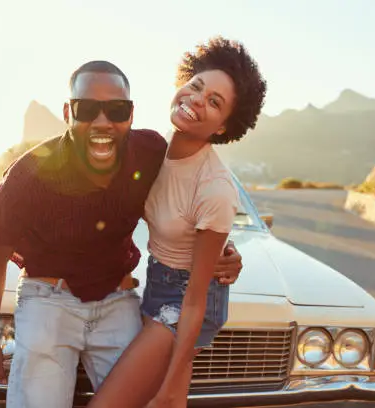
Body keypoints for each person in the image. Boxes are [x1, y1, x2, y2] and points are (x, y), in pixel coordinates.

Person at [0, 60, 244, 408]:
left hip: (118, 299)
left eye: (116, 110)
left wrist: (224, 248)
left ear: (131, 114)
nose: (102, 122)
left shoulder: (149, 153)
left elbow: (189, 204)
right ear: (68, 111)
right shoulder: (30, 175)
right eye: (87, 109)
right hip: (48, 299)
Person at [88, 37, 267, 408]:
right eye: (197, 85)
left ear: (223, 126)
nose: (198, 99)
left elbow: (196, 301)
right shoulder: (154, 149)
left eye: (215, 102)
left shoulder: (215, 189)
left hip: (185, 301)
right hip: (157, 282)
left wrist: (172, 388)